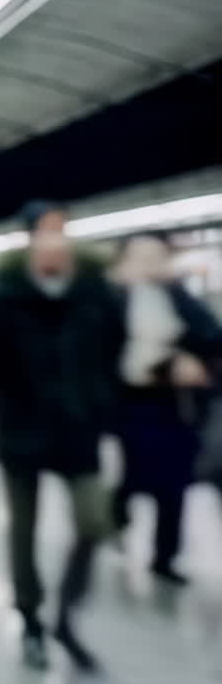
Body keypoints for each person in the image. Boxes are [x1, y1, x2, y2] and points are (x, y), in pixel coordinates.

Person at [0, 203, 122, 673]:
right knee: (23, 528)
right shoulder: (1, 287)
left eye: (62, 230)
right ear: (29, 238)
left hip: (78, 427)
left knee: (94, 522)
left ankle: (67, 615)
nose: (57, 240)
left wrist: (99, 401)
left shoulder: (93, 286)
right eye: (47, 231)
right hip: (22, 428)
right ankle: (31, 618)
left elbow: (113, 342)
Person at [111, 233, 222, 585]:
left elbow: (211, 336)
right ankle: (117, 514)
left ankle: (165, 556)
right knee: (133, 475)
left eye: (157, 256)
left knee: (173, 485)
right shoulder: (112, 297)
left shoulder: (177, 296)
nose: (150, 263)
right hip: (127, 402)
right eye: (142, 256)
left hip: (174, 404)